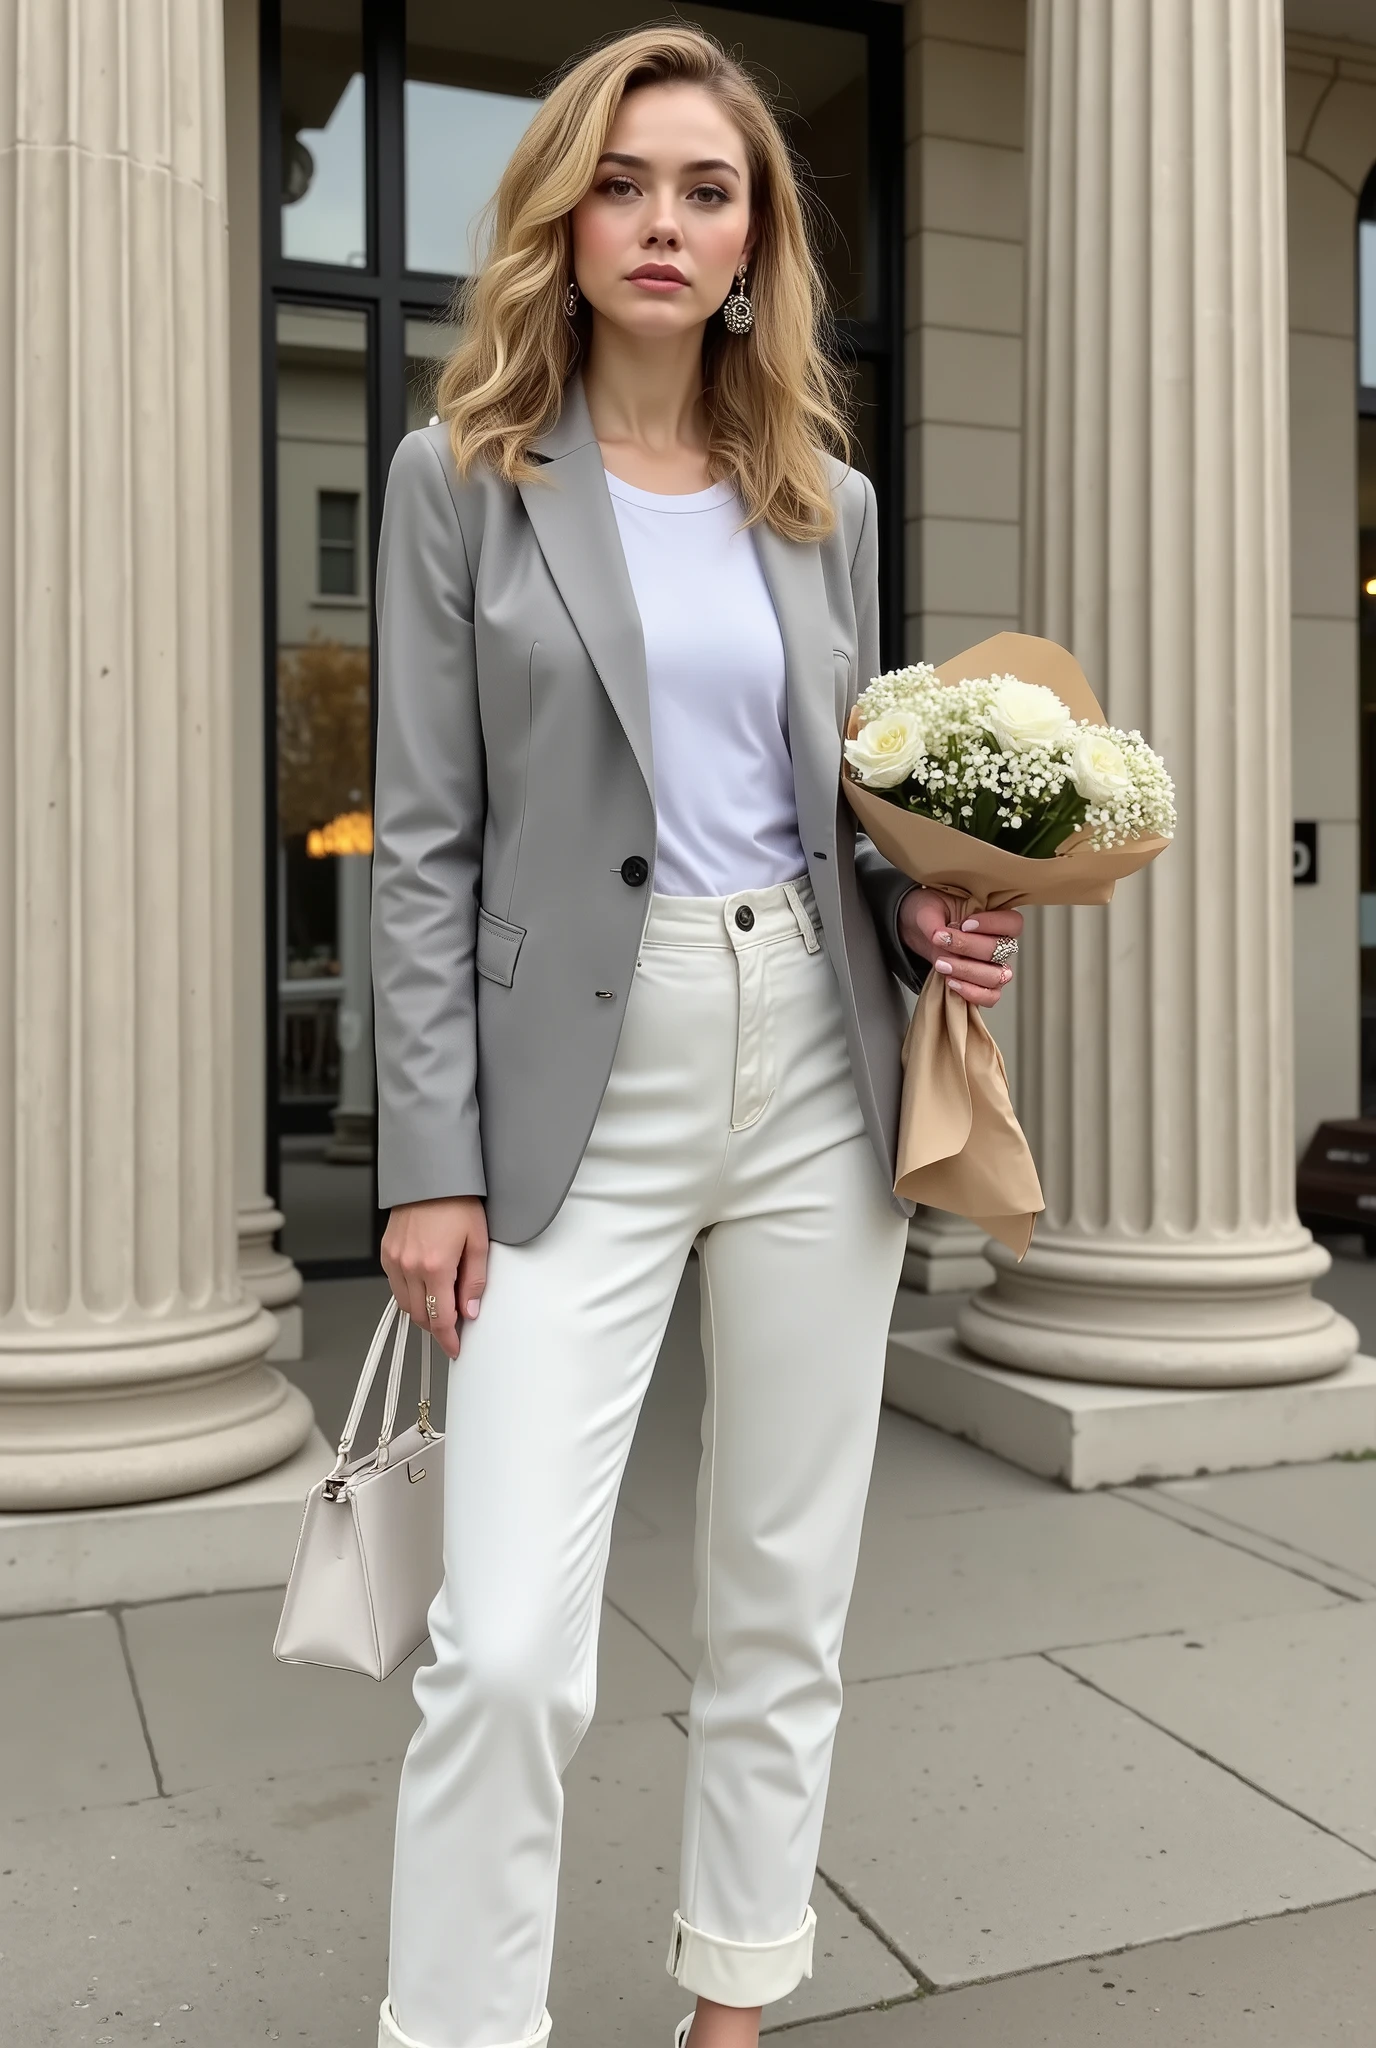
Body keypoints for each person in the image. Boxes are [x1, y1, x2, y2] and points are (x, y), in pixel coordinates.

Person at [370, 26, 1021, 2048]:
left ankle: (732, 2003)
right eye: (629, 183)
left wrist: (923, 901)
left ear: (753, 241)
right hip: (580, 1078)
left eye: (708, 189)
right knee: (499, 1652)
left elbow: (836, 799)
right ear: (567, 220)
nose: (666, 222)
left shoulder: (825, 496)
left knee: (779, 1588)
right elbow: (422, 841)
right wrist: (428, 1160)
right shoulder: (458, 475)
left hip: (811, 1060)